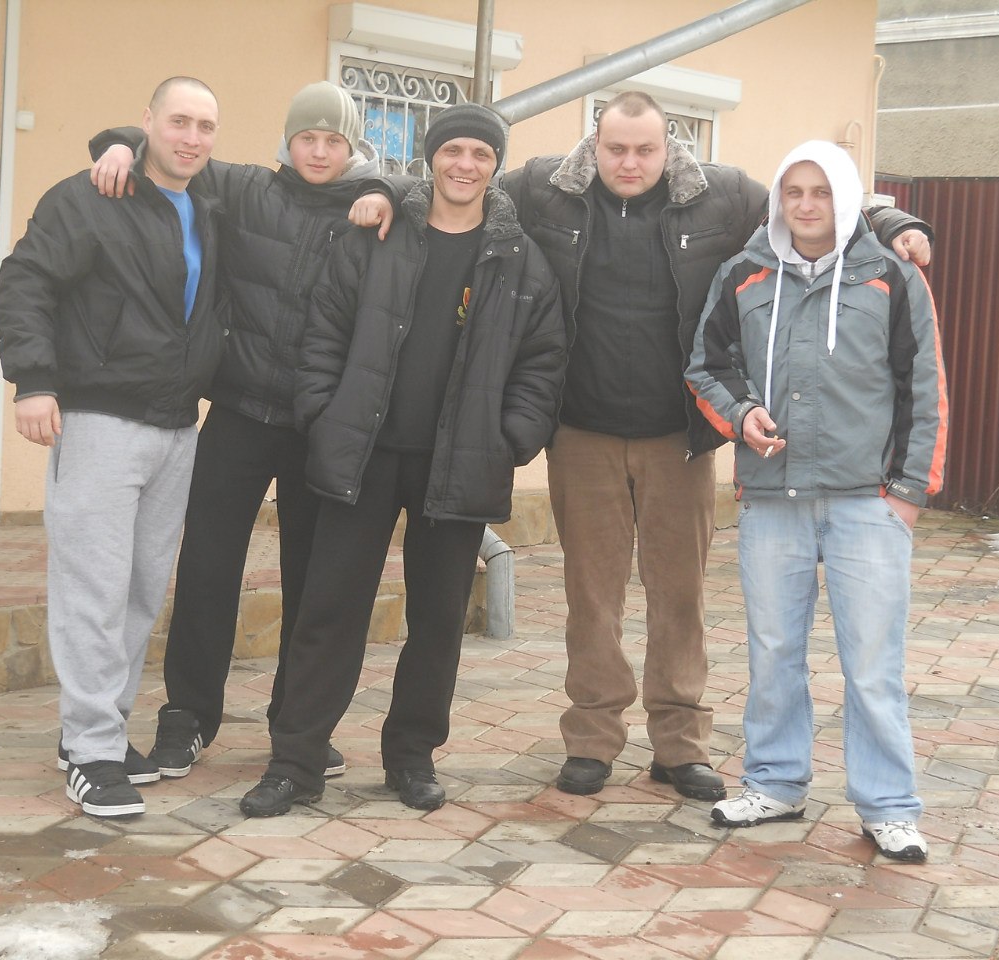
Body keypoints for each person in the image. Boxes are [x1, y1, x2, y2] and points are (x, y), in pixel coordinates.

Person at [352, 92, 932, 802]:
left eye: (645, 150)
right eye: (617, 148)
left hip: (678, 439)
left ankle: (680, 745)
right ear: (594, 145)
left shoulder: (722, 196)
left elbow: (809, 200)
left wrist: (894, 223)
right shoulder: (544, 190)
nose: (630, 162)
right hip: (582, 433)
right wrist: (385, 192)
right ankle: (592, 740)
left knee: (679, 598)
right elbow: (458, 181)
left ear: (669, 147)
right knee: (591, 599)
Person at [239, 103, 568, 817]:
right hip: (363, 453)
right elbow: (324, 329)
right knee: (329, 611)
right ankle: (295, 762)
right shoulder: (376, 236)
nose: (465, 165)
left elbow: (543, 362)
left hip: (460, 462)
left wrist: (511, 438)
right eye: (453, 151)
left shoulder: (521, 259)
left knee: (439, 620)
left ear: (495, 166)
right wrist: (322, 412)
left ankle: (411, 757)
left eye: (480, 155)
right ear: (431, 157)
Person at [86, 82, 380, 781]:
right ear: (288, 139)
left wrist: (389, 193)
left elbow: (433, 200)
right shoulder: (245, 190)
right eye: (307, 137)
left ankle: (297, 725)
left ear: (351, 148)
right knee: (207, 570)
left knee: (312, 580)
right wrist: (120, 146)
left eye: (333, 141)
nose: (318, 151)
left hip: (318, 426)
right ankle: (188, 718)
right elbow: (169, 153)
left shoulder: (370, 213)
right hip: (239, 414)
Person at [687, 140, 948, 862]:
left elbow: (924, 386)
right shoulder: (742, 274)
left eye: (822, 191)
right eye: (794, 192)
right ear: (779, 199)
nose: (807, 205)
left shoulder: (891, 275)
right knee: (774, 651)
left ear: (847, 198)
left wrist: (909, 493)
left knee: (872, 663)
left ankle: (888, 806)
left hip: (869, 502)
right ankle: (775, 782)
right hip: (773, 499)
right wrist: (741, 414)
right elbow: (707, 365)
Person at [0, 77, 225, 818]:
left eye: (206, 126)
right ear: (147, 121)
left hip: (176, 427)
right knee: (92, 587)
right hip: (99, 420)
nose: (191, 137)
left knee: (139, 588)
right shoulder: (91, 196)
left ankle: (100, 731)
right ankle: (91, 751)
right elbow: (25, 281)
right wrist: (34, 381)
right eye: (178, 121)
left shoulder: (210, 203)